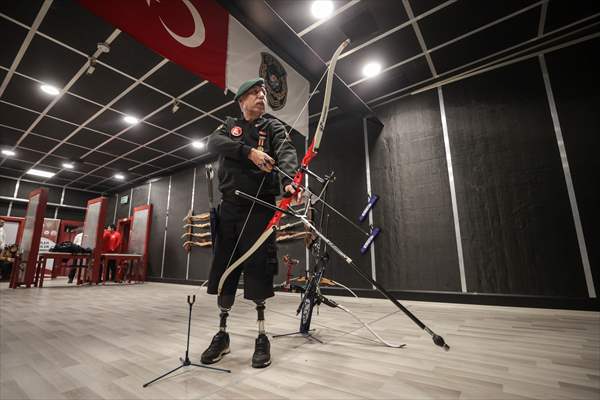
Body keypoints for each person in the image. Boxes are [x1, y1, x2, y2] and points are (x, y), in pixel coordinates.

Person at [201, 78, 299, 368]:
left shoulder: (272, 127)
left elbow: (286, 153)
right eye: (255, 93)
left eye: (264, 93)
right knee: (225, 270)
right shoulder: (229, 125)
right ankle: (222, 335)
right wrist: (249, 152)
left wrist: (290, 182)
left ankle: (261, 335)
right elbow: (212, 142)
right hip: (230, 208)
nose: (261, 96)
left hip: (260, 210)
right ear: (242, 100)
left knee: (259, 268)